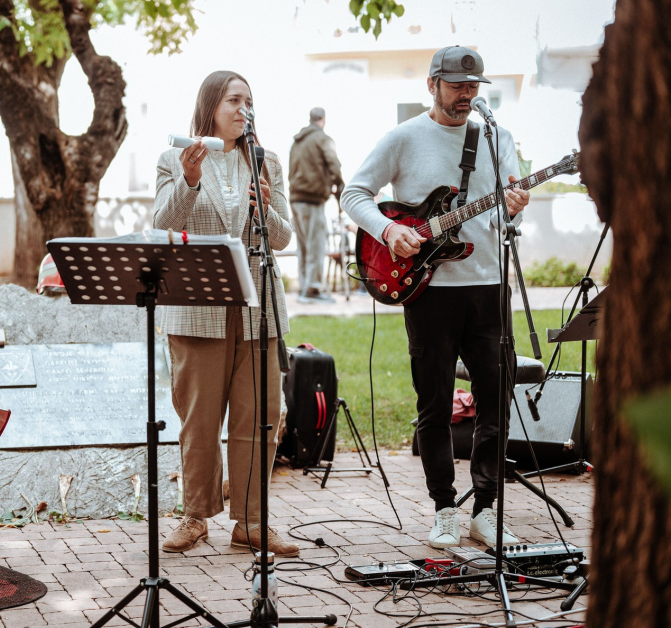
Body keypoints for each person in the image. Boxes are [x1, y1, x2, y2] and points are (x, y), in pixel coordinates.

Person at [340, 47, 531, 549]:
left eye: (473, 86)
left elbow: (507, 217)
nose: (466, 94)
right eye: (456, 85)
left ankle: (487, 509)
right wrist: (387, 232)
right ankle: (445, 508)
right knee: (435, 404)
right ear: (432, 84)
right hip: (428, 292)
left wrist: (515, 207)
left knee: (495, 402)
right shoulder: (404, 138)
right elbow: (353, 194)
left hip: (489, 287)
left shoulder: (496, 138)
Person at [153, 70, 300, 558]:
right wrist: (190, 181)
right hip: (198, 305)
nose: (244, 109)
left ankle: (252, 521)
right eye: (235, 100)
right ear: (211, 105)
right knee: (198, 419)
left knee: (259, 416)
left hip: (258, 305)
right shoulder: (176, 159)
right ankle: (195, 517)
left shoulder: (266, 162)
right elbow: (163, 224)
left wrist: (265, 205)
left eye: (250, 101)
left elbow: (281, 238)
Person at [288, 107, 344, 304]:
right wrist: (340, 185)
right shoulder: (322, 138)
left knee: (303, 246)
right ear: (323, 119)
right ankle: (312, 289)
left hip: (295, 198)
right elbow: (334, 164)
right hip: (311, 199)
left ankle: (305, 288)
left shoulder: (297, 141)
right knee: (316, 245)